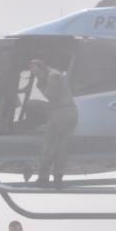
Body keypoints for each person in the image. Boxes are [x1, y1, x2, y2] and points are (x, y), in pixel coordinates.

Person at [29, 58, 78, 186]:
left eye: (35, 71)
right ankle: (50, 178)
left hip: (63, 113)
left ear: (41, 67)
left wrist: (40, 83)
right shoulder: (53, 75)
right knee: (54, 146)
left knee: (55, 146)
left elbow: (51, 95)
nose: (35, 74)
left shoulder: (53, 76)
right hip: (61, 112)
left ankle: (50, 179)